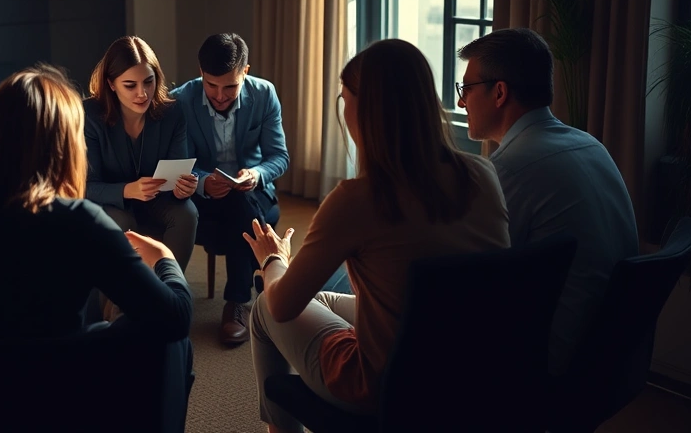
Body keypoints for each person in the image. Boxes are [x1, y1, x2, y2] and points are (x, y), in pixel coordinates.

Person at [245, 39, 510, 432]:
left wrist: (274, 260)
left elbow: (283, 307)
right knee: (322, 298)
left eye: (344, 97)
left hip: (385, 388)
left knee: (265, 306)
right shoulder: (482, 174)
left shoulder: (359, 199)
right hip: (468, 372)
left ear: (362, 109)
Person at [0, 64, 194, 428]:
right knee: (166, 339)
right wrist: (166, 260)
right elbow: (174, 318)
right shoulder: (76, 220)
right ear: (62, 143)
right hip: (54, 402)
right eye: (77, 133)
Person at [457, 27, 638, 375]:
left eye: (467, 88)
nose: (462, 101)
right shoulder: (590, 145)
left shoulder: (511, 169)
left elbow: (470, 280)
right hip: (610, 352)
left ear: (499, 93)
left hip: (546, 359)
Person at [172, 32, 290, 345]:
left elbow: (279, 157)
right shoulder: (180, 100)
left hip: (252, 193)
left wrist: (256, 172)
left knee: (241, 204)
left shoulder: (265, 94)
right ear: (201, 74)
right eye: (212, 85)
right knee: (242, 218)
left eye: (230, 86)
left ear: (245, 72)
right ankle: (250, 289)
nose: (220, 95)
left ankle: (238, 298)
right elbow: (179, 164)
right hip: (205, 197)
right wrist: (203, 181)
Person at [84, 36, 198, 272]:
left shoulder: (173, 112)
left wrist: (184, 188)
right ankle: (131, 296)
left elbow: (177, 172)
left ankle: (168, 291)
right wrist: (128, 190)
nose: (143, 93)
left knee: (187, 213)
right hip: (110, 201)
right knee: (123, 222)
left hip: (158, 199)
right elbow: (85, 186)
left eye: (149, 81)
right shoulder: (90, 115)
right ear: (111, 84)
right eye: (130, 85)